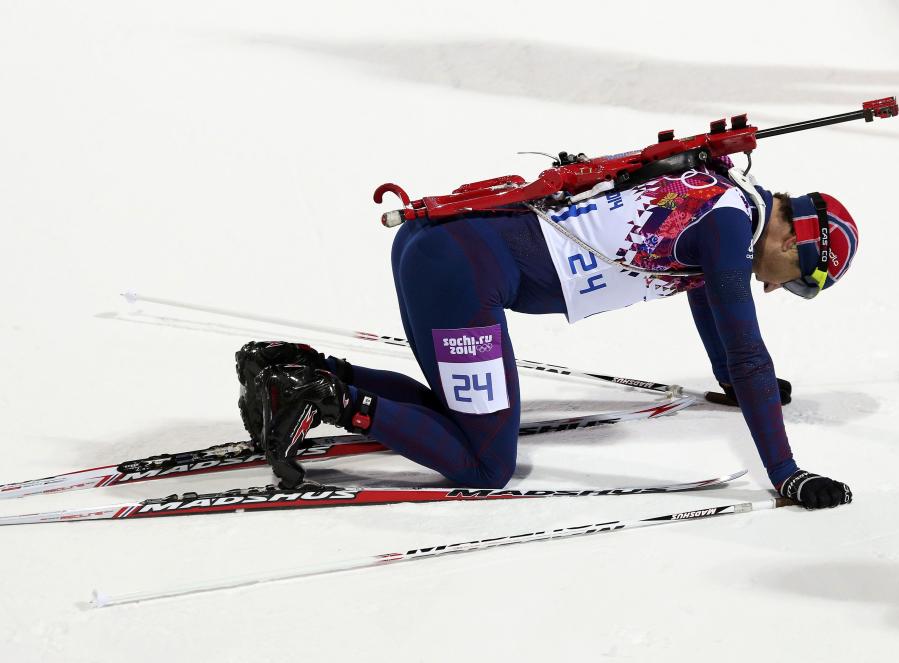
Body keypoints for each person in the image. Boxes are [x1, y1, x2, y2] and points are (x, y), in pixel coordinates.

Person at [235, 159, 857, 510]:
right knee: (485, 462)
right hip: (460, 275)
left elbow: (709, 313)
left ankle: (293, 372)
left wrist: (728, 381)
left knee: (463, 418)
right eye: (800, 280)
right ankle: (325, 398)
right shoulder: (728, 235)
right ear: (789, 239)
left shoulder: (720, 194)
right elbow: (749, 352)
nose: (777, 290)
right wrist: (786, 474)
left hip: (435, 244)